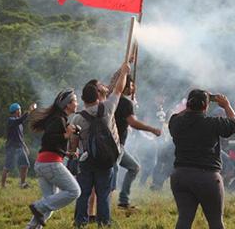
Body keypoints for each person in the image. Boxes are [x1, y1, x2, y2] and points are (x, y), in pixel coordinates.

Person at [70, 62, 130, 227]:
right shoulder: (107, 108)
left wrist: (74, 156)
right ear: (97, 97)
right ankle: (104, 222)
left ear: (83, 99)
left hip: (86, 160)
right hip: (106, 160)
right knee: (103, 194)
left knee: (83, 194)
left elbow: (74, 143)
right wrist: (124, 73)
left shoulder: (77, 118)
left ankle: (80, 222)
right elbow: (118, 89)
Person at [168, 89, 235, 229]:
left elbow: (178, 115)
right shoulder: (213, 123)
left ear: (188, 104)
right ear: (206, 106)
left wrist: (190, 104)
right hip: (207, 177)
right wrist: (226, 105)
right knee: (215, 222)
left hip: (181, 175)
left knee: (184, 219)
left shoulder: (176, 122)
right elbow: (234, 125)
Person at [26, 89, 81, 229]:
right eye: (75, 100)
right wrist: (66, 135)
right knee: (74, 191)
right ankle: (38, 206)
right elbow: (49, 138)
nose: (77, 103)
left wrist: (66, 153)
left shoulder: (59, 118)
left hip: (44, 163)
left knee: (49, 204)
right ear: (67, 104)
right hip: (50, 164)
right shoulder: (58, 119)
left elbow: (51, 144)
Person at [113, 75, 162, 209]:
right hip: (116, 145)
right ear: (125, 86)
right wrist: (152, 129)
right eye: (131, 85)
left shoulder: (113, 99)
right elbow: (133, 122)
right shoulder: (125, 103)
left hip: (115, 144)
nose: (134, 88)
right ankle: (105, 211)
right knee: (109, 178)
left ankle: (123, 200)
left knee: (134, 167)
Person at [1, 102, 36, 189]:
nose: (20, 111)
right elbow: (20, 120)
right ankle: (2, 185)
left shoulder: (19, 123)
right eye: (19, 109)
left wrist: (25, 146)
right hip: (11, 147)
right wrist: (29, 111)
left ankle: (23, 183)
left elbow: (20, 136)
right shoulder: (11, 120)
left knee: (25, 165)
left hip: (20, 146)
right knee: (7, 166)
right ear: (16, 111)